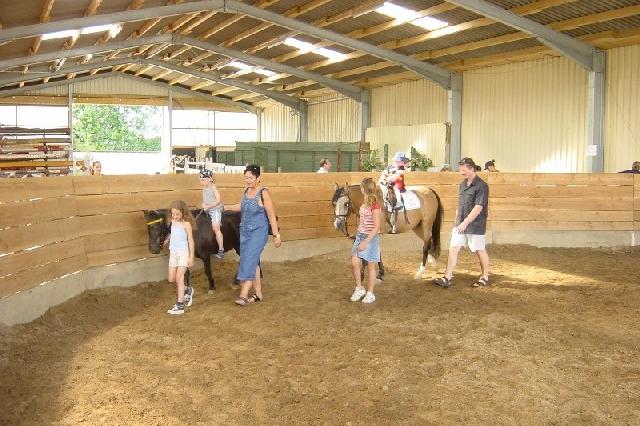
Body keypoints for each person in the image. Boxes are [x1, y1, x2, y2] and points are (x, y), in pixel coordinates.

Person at [224, 164, 281, 306]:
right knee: (252, 260)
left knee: (249, 260)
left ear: (258, 178)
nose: (248, 180)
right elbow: (242, 206)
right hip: (245, 231)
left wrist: (276, 235)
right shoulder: (246, 190)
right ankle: (258, 294)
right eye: (246, 177)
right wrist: (226, 207)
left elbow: (271, 215)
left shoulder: (264, 193)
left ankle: (243, 295)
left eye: (251, 178)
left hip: (258, 232)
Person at [434, 157, 490, 288]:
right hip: (460, 223)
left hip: (475, 225)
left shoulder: (482, 186)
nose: (461, 172)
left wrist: (465, 222)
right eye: (460, 170)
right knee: (453, 249)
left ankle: (485, 276)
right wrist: (457, 220)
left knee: (479, 249)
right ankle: (447, 277)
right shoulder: (463, 184)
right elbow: (461, 205)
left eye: (463, 170)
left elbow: (478, 207)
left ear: (471, 168)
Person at [350, 178, 382, 304]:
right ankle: (359, 288)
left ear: (363, 189)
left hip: (371, 239)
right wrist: (357, 232)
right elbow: (363, 221)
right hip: (360, 236)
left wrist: (366, 242)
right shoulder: (364, 203)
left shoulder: (375, 206)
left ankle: (370, 293)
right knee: (354, 263)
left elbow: (376, 227)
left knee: (371, 267)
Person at [164, 200, 195, 315]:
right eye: (173, 214)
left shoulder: (186, 224)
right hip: (173, 253)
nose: (175, 216)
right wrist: (168, 239)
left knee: (179, 278)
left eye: (177, 214)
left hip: (183, 253)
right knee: (171, 279)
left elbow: (190, 240)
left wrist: (191, 256)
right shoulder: (172, 222)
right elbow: (174, 233)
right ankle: (187, 290)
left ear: (183, 213)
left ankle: (180, 304)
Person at [379, 151, 408, 234]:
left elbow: (394, 178)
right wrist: (382, 180)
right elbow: (383, 175)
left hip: (397, 185)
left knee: (397, 193)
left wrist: (387, 179)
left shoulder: (401, 170)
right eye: (396, 161)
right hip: (387, 184)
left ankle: (397, 205)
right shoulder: (389, 168)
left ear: (402, 162)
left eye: (399, 161)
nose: (396, 163)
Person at [200, 169, 225, 260]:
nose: (201, 181)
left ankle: (221, 249)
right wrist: (203, 204)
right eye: (200, 179)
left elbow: (218, 200)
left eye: (203, 179)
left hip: (215, 210)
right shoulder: (204, 188)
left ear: (210, 179)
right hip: (208, 210)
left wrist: (209, 206)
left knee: (215, 228)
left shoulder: (213, 187)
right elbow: (205, 199)